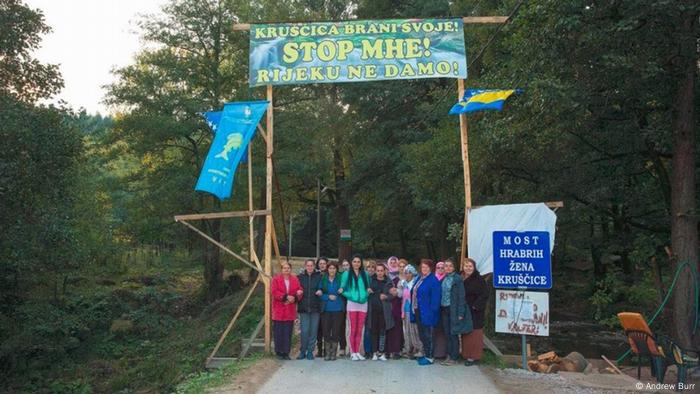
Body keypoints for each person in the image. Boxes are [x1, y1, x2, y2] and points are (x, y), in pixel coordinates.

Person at [440, 258, 473, 365]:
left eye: (450, 266)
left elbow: (461, 296)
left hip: (453, 309)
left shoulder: (457, 279)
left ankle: (454, 357)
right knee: (447, 333)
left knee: (453, 333)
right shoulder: (443, 279)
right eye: (446, 266)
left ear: (454, 268)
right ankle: (448, 355)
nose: (448, 268)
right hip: (444, 308)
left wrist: (460, 312)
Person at [339, 254, 371, 361]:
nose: (356, 264)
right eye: (354, 261)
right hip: (352, 304)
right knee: (353, 329)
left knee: (360, 329)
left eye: (358, 262)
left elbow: (368, 289)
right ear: (351, 263)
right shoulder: (346, 274)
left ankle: (357, 351)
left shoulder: (365, 274)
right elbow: (342, 290)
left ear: (361, 263)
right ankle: (353, 352)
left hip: (363, 304)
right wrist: (352, 297)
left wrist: (365, 296)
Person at [411, 260, 442, 365]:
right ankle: (426, 353)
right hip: (418, 310)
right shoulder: (420, 278)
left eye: (426, 267)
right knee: (422, 334)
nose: (424, 269)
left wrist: (433, 311)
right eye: (423, 267)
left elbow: (436, 299)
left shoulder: (433, 280)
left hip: (428, 312)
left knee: (428, 334)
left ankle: (430, 357)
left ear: (431, 268)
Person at [271, 261, 301, 360]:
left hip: (290, 310)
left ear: (290, 269)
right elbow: (274, 292)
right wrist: (286, 297)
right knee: (278, 332)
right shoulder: (276, 279)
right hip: (279, 310)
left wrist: (295, 297)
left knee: (288, 332)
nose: (286, 269)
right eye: (284, 268)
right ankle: (279, 352)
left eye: (288, 268)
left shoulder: (295, 279)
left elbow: (300, 290)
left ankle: (286, 352)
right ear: (281, 269)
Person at [462, 258, 489, 366]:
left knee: (474, 333)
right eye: (466, 266)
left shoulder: (479, 279)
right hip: (464, 309)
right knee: (465, 333)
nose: (468, 268)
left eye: (470, 266)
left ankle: (473, 356)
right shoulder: (461, 278)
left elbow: (484, 294)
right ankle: (465, 354)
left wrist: (475, 306)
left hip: (475, 310)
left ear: (474, 267)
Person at [366, 263, 395, 361]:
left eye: (381, 270)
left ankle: (381, 352)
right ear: (375, 271)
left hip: (384, 310)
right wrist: (368, 290)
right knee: (373, 331)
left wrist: (387, 296)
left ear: (385, 271)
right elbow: (365, 290)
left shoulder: (388, 281)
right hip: (373, 309)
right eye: (377, 270)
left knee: (383, 331)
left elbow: (393, 295)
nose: (379, 273)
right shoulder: (370, 280)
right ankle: (374, 352)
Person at [297, 259, 322, 360]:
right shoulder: (300, 277)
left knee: (313, 331)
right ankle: (302, 351)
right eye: (308, 265)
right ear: (305, 266)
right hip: (303, 307)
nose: (310, 267)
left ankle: (310, 351)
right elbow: (296, 289)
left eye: (312, 265)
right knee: (304, 331)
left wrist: (320, 290)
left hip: (315, 308)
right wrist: (297, 292)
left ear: (314, 266)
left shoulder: (319, 277)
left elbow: (322, 287)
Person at [319, 261, 344, 361]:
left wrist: (342, 290)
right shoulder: (323, 279)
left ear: (336, 269)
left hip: (338, 309)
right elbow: (319, 293)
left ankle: (333, 353)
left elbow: (345, 290)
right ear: (327, 269)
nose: (332, 270)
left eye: (334, 268)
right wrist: (328, 296)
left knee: (336, 331)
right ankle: (327, 353)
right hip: (326, 309)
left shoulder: (340, 279)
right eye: (330, 268)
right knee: (326, 331)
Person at [399, 264, 422, 359]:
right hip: (405, 310)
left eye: (409, 273)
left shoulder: (415, 283)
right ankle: (409, 349)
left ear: (413, 273)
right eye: (405, 273)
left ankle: (419, 349)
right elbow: (402, 297)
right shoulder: (403, 283)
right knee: (407, 331)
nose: (407, 274)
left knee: (414, 331)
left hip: (413, 311)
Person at [385, 262, 404, 359]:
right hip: (387, 305)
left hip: (398, 306)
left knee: (397, 328)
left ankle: (397, 350)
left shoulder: (401, 278)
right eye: (390, 263)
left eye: (394, 262)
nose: (392, 264)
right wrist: (389, 291)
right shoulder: (385, 277)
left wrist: (396, 291)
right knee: (388, 328)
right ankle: (387, 350)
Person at [363, 261, 377, 358]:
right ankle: (367, 350)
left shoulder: (378, 278)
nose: (371, 269)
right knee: (367, 329)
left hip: (376, 307)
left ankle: (375, 349)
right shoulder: (363, 279)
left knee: (375, 329)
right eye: (369, 267)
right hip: (365, 306)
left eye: (373, 267)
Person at [315, 257, 329, 358]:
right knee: (318, 329)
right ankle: (319, 349)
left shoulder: (330, 275)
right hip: (316, 305)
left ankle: (327, 350)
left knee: (326, 328)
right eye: (320, 263)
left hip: (327, 305)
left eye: (324, 263)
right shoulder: (315, 275)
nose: (322, 265)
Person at [338, 259, 349, 356]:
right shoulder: (339, 276)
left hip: (351, 301)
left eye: (347, 265)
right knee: (341, 325)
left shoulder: (353, 276)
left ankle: (351, 347)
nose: (345, 267)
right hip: (341, 303)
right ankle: (342, 347)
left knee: (350, 326)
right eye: (344, 265)